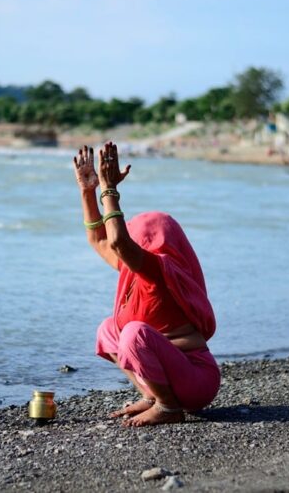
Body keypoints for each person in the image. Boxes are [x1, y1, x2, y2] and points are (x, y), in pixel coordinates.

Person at [72, 142, 220, 427]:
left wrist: (109, 189)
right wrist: (87, 191)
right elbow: (100, 240)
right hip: (169, 368)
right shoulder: (131, 269)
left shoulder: (159, 270)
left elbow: (118, 241)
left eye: (136, 238)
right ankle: (152, 395)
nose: (130, 243)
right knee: (108, 329)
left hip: (196, 380)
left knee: (133, 334)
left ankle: (168, 407)